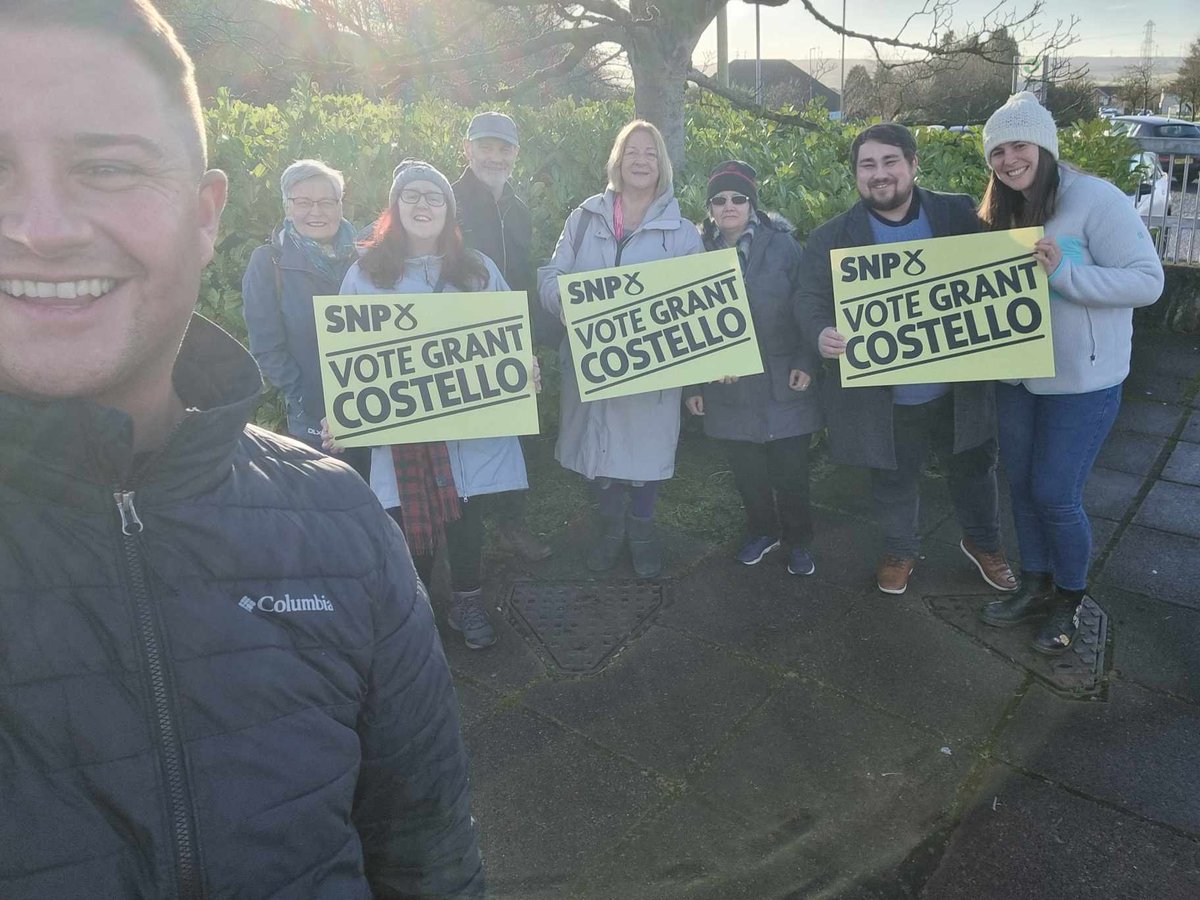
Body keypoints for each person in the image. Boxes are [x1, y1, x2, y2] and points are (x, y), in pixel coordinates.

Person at [0, 3, 485, 898]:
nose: (43, 227)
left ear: (205, 213)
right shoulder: (307, 270)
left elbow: (429, 859)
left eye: (105, 167)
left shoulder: (341, 526)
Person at [975, 92, 1164, 652]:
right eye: (998, 152)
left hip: (1083, 382)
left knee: (1056, 493)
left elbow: (1147, 281)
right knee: (1022, 486)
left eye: (1020, 146)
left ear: (1046, 145)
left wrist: (1066, 275)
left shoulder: (1095, 199)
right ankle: (1035, 583)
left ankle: (1069, 599)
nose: (1009, 160)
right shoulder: (1001, 209)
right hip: (1018, 377)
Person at [795, 123, 1017, 597]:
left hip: (959, 387)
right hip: (886, 393)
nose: (879, 174)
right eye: (867, 165)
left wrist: (1033, 257)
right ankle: (901, 548)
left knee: (976, 469)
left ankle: (984, 544)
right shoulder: (831, 236)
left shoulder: (961, 212)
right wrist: (820, 334)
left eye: (890, 161)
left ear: (914, 165)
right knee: (893, 476)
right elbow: (810, 298)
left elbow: (1007, 258)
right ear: (855, 174)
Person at [338, 159, 531, 651]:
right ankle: (416, 610)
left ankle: (467, 600)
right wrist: (344, 411)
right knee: (410, 527)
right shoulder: (364, 275)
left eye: (434, 197)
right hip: (408, 439)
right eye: (412, 196)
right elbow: (348, 360)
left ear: (449, 211)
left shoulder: (479, 268)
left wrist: (523, 366)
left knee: (467, 520)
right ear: (394, 208)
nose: (423, 205)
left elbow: (508, 337)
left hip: (470, 433)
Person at [538, 120, 704, 578]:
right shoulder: (583, 217)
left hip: (652, 370)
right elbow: (552, 274)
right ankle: (612, 528)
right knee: (599, 452)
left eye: (651, 153)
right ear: (617, 159)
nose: (641, 160)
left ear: (662, 165)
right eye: (633, 151)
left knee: (645, 452)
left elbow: (698, 301)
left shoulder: (683, 232)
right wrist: (566, 305)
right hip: (592, 363)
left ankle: (643, 529)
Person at [684, 161, 822, 576]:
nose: (729, 205)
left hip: (784, 379)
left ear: (752, 203)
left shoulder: (784, 245)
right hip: (726, 386)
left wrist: (806, 360)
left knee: (792, 471)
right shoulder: (692, 251)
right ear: (709, 207)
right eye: (719, 199)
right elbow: (679, 325)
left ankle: (799, 540)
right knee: (747, 472)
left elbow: (808, 302)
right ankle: (762, 531)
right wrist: (693, 384)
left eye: (738, 198)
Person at [452, 110, 552, 562]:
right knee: (464, 440)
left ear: (515, 155)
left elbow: (525, 280)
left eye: (504, 148)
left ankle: (511, 526)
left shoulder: (520, 209)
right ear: (468, 148)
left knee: (517, 436)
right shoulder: (446, 203)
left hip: (510, 341)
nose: (495, 156)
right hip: (460, 342)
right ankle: (458, 536)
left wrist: (530, 340)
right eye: (486, 146)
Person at [241, 158, 370, 479]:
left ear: (341, 206)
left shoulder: (369, 257)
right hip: (315, 419)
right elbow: (267, 347)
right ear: (287, 207)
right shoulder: (267, 262)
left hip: (376, 409)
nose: (317, 211)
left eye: (327, 202)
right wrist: (308, 403)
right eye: (303, 202)